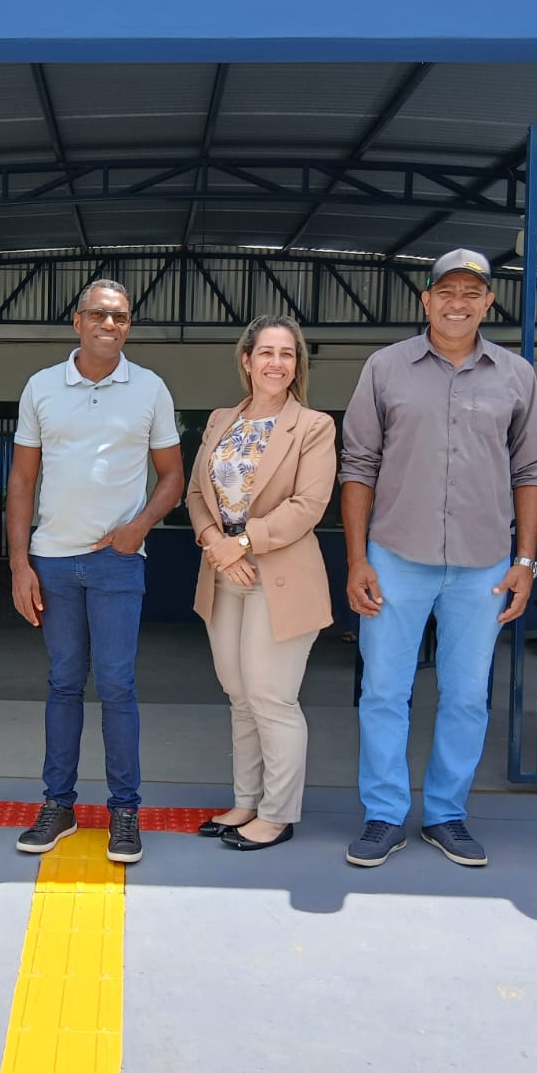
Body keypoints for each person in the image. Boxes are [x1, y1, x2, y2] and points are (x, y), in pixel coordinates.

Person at [339, 248, 537, 868]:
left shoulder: (515, 376)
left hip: (485, 562)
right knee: (383, 690)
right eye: (446, 292)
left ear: (489, 303)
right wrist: (357, 559)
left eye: (472, 294)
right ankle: (382, 815)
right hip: (396, 555)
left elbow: (532, 470)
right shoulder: (385, 369)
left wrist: (526, 561)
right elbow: (358, 466)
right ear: (425, 300)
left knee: (465, 696)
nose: (458, 303)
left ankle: (446, 814)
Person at [7, 278, 184, 864]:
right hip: (54, 561)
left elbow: (173, 478)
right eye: (100, 315)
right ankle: (58, 805)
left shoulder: (151, 389)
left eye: (122, 317)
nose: (111, 325)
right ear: (77, 321)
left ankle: (124, 811)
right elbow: (23, 481)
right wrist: (18, 564)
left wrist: (138, 528)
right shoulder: (40, 387)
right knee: (62, 683)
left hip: (117, 563)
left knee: (116, 686)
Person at [186, 316, 337, 851]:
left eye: (288, 354)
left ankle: (277, 813)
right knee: (240, 696)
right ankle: (246, 801)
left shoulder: (314, 426)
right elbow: (197, 494)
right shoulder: (221, 419)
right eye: (266, 352)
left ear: (298, 365)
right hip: (222, 571)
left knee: (272, 697)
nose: (277, 362)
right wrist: (215, 542)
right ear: (246, 360)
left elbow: (309, 506)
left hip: (279, 575)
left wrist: (242, 542)